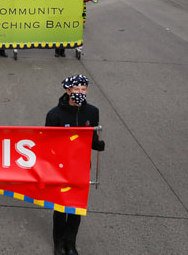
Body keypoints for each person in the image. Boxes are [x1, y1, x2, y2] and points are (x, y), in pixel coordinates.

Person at [45, 75, 105, 255]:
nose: (81, 93)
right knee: (60, 207)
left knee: (76, 207)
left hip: (81, 167)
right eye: (77, 89)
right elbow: (47, 144)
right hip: (61, 168)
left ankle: (71, 244)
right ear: (68, 90)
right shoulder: (54, 115)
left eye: (84, 89)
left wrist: (97, 145)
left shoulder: (92, 112)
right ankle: (58, 243)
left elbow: (92, 137)